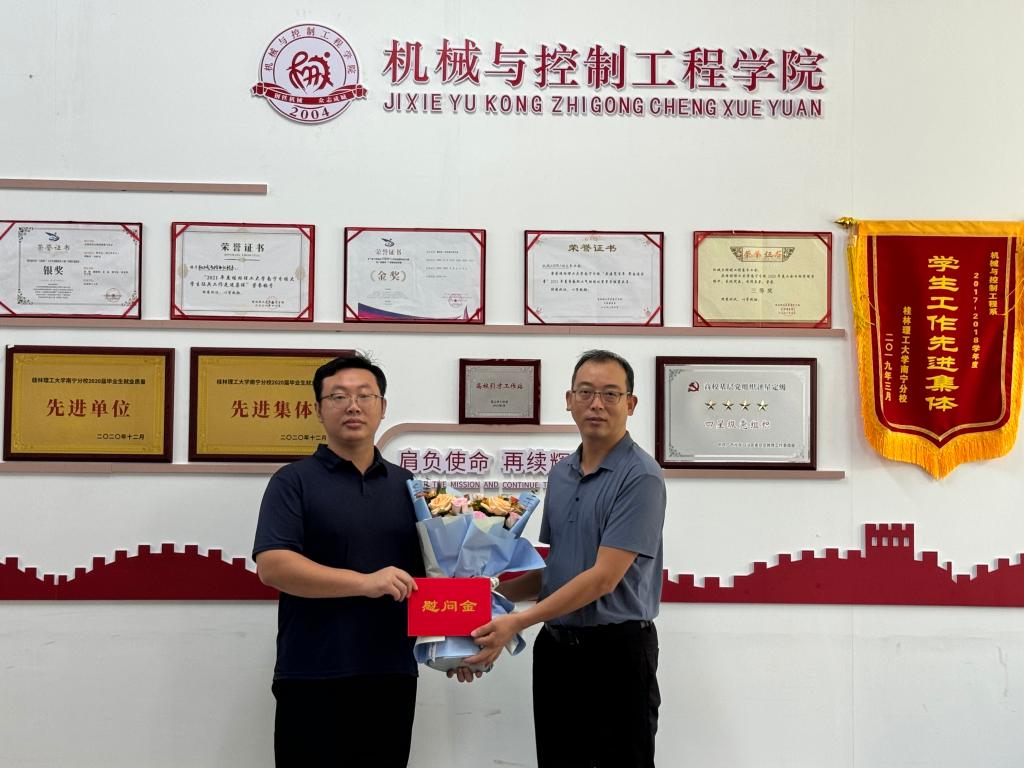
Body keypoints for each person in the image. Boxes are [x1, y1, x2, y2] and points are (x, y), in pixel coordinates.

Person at [462, 349, 666, 768]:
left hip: (617, 654)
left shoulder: (641, 476)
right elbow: (554, 570)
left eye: (611, 394)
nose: (597, 404)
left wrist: (517, 622)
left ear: (631, 404)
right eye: (586, 392)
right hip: (556, 650)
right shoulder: (561, 474)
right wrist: (487, 594)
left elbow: (602, 579)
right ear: (569, 400)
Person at [253, 354, 423, 768]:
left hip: (391, 672)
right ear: (318, 410)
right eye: (339, 396)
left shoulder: (410, 486)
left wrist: (457, 644)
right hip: (312, 673)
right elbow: (273, 566)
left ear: (383, 407)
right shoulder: (292, 481)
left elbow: (430, 576)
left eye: (365, 396)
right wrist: (366, 582)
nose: (353, 406)